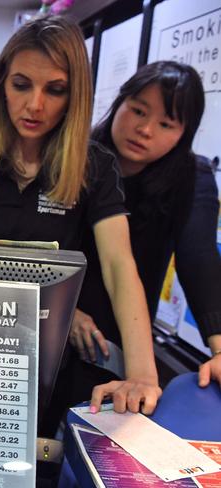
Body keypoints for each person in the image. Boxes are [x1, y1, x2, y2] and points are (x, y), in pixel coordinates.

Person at [0, 15, 161, 415]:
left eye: (55, 90)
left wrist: (142, 374)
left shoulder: (94, 167)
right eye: (21, 85)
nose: (35, 105)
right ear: (1, 84)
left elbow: (120, 266)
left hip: (51, 363)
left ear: (75, 96)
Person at [67, 61, 221, 397]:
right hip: (52, 326)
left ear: (184, 133)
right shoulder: (74, 159)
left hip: (122, 348)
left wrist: (219, 346)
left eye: (166, 123)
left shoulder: (192, 178)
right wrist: (65, 309)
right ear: (119, 102)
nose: (146, 129)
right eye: (138, 111)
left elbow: (199, 258)